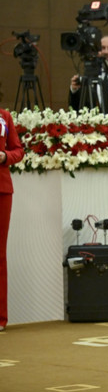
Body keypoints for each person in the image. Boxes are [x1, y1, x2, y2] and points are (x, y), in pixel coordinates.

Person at [0, 106, 25, 332]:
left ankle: (0, 317)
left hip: (2, 190)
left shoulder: (4, 116)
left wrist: (4, 156)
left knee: (0, 254)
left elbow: (18, 150)